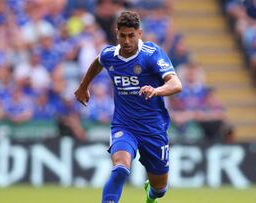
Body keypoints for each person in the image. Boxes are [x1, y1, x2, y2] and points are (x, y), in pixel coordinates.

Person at [74, 11, 182, 203]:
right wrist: (83, 86)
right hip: (124, 125)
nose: (126, 40)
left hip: (152, 128)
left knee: (160, 189)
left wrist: (156, 91)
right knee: (121, 168)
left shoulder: (151, 54)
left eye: (131, 35)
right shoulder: (110, 55)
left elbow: (176, 84)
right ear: (117, 33)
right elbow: (98, 63)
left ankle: (152, 195)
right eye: (122, 35)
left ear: (139, 33)